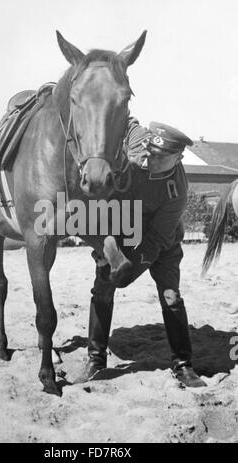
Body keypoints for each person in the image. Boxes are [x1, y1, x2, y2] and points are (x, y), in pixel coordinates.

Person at [85, 118, 207, 388]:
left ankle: (183, 365)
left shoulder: (176, 191)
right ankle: (96, 360)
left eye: (159, 157)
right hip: (122, 232)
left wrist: (127, 270)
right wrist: (110, 252)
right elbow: (127, 121)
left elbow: (158, 240)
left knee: (171, 296)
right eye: (149, 152)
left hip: (162, 244)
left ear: (178, 157)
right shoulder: (141, 145)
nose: (149, 159)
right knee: (103, 287)